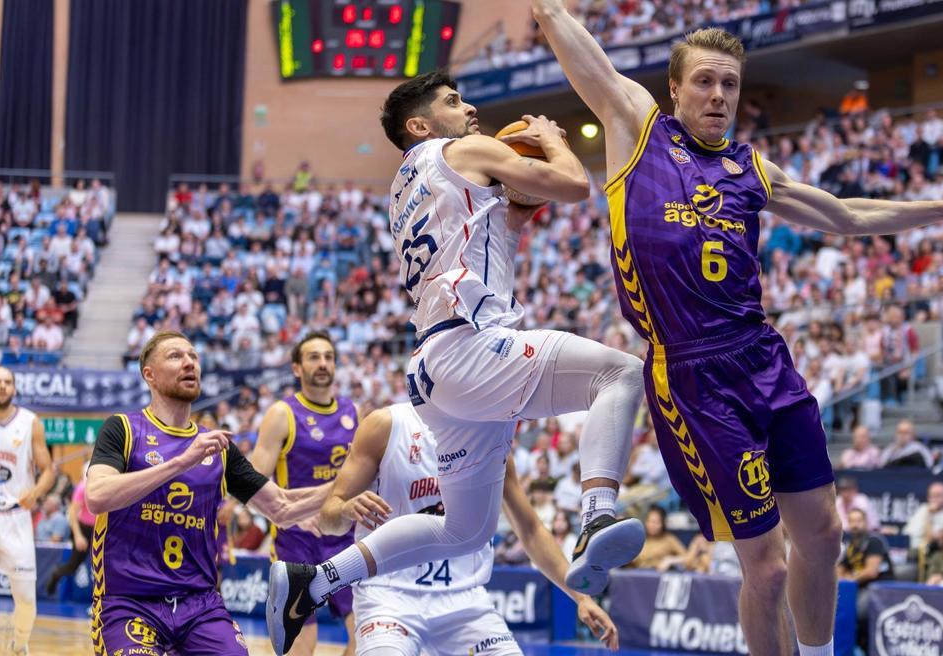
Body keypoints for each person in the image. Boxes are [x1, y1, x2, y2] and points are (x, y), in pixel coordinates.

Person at [519, 0, 943, 651]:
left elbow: (843, 214)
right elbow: (550, 10)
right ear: (674, 90)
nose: (719, 95)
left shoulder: (751, 168)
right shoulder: (637, 128)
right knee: (767, 568)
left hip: (765, 357)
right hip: (693, 372)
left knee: (824, 534)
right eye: (705, 82)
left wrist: (940, 206)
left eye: (731, 85)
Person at [267, 74, 646, 654]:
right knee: (618, 372)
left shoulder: (404, 189)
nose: (469, 107)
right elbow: (574, 185)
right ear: (420, 125)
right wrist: (548, 139)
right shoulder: (461, 149)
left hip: (435, 370)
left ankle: (316, 580)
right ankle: (597, 514)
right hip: (472, 345)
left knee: (464, 530)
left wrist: (518, 193)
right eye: (452, 102)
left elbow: (497, 227)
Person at [86, 331, 353, 656]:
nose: (189, 362)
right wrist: (182, 461)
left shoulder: (217, 447)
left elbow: (281, 507)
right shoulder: (123, 429)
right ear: (149, 375)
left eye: (194, 357)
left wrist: (353, 481)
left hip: (199, 605)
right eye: (175, 356)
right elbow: (97, 495)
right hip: (130, 603)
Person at [316, 403, 618, 656]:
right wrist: (345, 509)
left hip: (465, 601)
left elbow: (530, 529)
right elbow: (328, 519)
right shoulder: (386, 424)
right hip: (389, 597)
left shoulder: (488, 436)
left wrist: (581, 598)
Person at [250, 331, 360, 656]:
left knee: (365, 638)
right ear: (297, 368)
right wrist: (297, 512)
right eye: (314, 357)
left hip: (345, 539)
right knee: (302, 647)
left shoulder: (354, 412)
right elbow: (253, 484)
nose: (323, 363)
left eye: (328, 356)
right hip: (295, 540)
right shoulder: (282, 414)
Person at [0, 365, 56, 656]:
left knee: (26, 599)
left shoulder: (30, 422)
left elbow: (49, 470)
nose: (2, 386)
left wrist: (36, 493)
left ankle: (19, 642)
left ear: (14, 388)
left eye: (7, 382)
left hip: (17, 516)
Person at [837, 508, 891, 654]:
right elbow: (839, 570)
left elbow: (871, 572)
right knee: (840, 603)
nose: (855, 525)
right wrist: (845, 576)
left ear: (866, 522)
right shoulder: (851, 546)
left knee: (859, 610)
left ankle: (864, 647)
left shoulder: (874, 541)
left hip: (881, 587)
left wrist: (849, 577)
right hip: (860, 587)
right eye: (852, 521)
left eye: (859, 521)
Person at [45, 473, 96, 595]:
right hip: (83, 529)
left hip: (100, 529)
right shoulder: (83, 487)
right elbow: (72, 513)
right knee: (73, 565)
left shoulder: (106, 485)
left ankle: (99, 602)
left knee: (102, 567)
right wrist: (78, 536)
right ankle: (56, 573)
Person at [903, 481, 943, 558]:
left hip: (925, 553)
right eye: (932, 496)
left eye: (938, 496)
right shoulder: (923, 508)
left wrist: (929, 514)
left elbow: (930, 538)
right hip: (906, 548)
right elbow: (908, 531)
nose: (934, 499)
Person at [630, 505, 687, 570]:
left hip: (659, 577)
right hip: (637, 576)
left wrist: (670, 560)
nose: (653, 525)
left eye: (657, 522)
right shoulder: (639, 539)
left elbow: (687, 557)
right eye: (650, 521)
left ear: (662, 524)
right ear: (646, 522)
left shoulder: (669, 539)